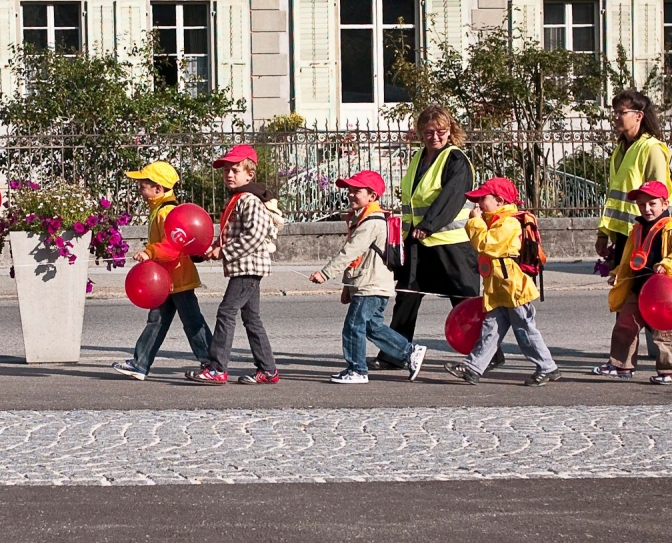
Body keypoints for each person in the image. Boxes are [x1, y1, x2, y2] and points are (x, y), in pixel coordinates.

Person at [378, 105, 479, 369]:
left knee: (465, 301)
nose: (435, 136)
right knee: (406, 296)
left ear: (450, 131)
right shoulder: (419, 158)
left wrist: (429, 224)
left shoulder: (456, 159)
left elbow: (453, 197)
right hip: (418, 243)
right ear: (420, 133)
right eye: (429, 132)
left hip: (451, 244)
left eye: (441, 131)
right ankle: (395, 354)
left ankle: (486, 354)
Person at [309, 170, 427, 384]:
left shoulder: (371, 221)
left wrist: (325, 273)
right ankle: (409, 352)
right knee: (372, 326)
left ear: (372, 196)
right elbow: (359, 258)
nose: (351, 195)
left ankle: (357, 370)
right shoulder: (364, 218)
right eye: (350, 190)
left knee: (353, 326)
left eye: (357, 191)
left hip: (371, 285)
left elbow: (351, 251)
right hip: (369, 284)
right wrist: (348, 287)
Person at [446, 177, 558, 387]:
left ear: (499, 200)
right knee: (491, 329)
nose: (477, 205)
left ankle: (547, 366)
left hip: (513, 288)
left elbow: (487, 245)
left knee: (525, 329)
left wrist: (475, 222)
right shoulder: (496, 221)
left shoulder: (508, 222)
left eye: (482, 199)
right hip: (499, 288)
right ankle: (473, 368)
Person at [114, 161, 214, 381]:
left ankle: (212, 363)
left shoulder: (166, 212)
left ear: (158, 189)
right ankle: (140, 364)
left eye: (143, 186)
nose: (140, 191)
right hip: (166, 280)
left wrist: (149, 252)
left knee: (192, 322)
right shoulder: (159, 210)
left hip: (178, 280)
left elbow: (173, 246)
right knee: (157, 320)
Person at [192, 144, 280, 385]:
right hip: (244, 266)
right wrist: (212, 249)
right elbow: (233, 233)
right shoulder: (238, 198)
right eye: (226, 171)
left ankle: (217, 367)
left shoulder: (250, 199)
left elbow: (255, 234)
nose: (229, 175)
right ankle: (268, 370)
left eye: (235, 170)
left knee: (226, 312)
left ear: (250, 174)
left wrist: (224, 251)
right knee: (251, 318)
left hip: (248, 267)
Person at [597, 178, 672, 385]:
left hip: (662, 292)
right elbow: (628, 258)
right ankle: (621, 365)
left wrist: (667, 264)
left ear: (664, 204)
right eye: (642, 204)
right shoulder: (638, 229)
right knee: (625, 324)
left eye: (652, 204)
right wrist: (618, 272)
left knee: (664, 331)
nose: (647, 209)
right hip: (638, 287)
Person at [596, 90, 672, 267]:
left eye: (621, 112)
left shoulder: (651, 148)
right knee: (624, 290)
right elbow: (613, 196)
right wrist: (603, 234)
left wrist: (655, 234)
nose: (615, 117)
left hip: (646, 235)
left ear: (639, 116)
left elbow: (659, 194)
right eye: (614, 112)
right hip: (626, 234)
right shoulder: (620, 149)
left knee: (641, 289)